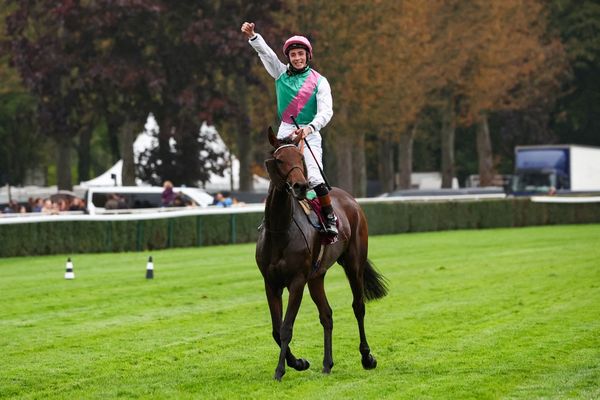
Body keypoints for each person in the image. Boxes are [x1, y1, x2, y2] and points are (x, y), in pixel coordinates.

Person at [241, 22, 337, 235]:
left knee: (313, 177)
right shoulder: (280, 73)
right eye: (293, 55)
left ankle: (330, 218)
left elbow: (326, 112)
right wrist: (253, 36)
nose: (297, 58)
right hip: (285, 132)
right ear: (289, 57)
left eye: (300, 54)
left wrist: (310, 128)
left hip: (309, 132)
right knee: (278, 176)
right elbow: (266, 54)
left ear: (307, 55)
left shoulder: (320, 82)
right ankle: (270, 218)